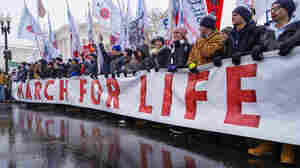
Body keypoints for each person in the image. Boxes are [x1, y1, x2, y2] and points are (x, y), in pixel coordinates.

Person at [248, 0, 300, 164]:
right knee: (270, 107)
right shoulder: (267, 31)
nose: (273, 11)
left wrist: (293, 41)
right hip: (272, 76)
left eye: (277, 8)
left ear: (288, 10)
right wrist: (258, 48)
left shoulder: (297, 27)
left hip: (292, 77)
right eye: (272, 9)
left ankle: (288, 147)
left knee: (290, 109)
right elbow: (263, 45)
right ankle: (269, 142)